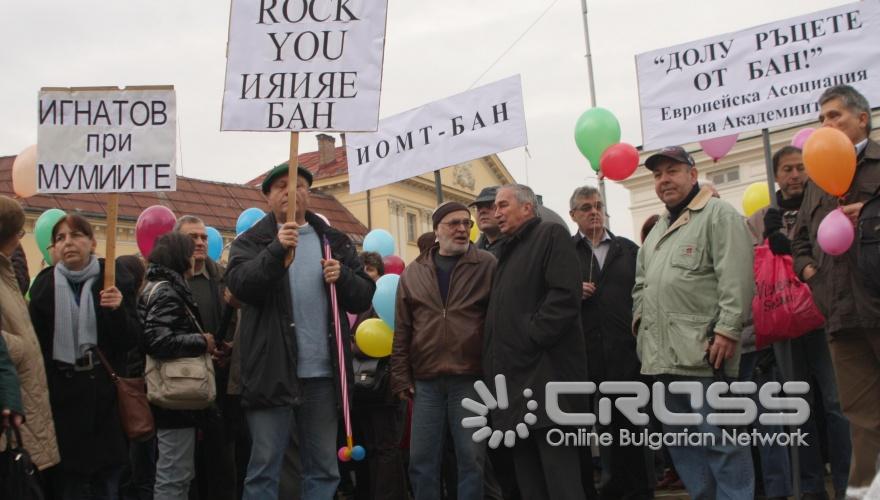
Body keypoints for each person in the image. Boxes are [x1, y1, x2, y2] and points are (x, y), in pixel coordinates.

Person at [226, 163, 375, 500]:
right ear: (267, 197)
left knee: (323, 469)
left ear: (309, 193)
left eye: (299, 185)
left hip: (323, 376)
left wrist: (345, 277)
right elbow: (240, 286)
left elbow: (363, 295)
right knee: (265, 469)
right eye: (280, 186)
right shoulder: (253, 241)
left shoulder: (333, 241)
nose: (291, 192)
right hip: (271, 373)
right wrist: (276, 250)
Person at [632, 146, 755, 500]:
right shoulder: (656, 232)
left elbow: (736, 278)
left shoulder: (718, 215)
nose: (664, 180)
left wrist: (728, 330)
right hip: (661, 359)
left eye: (672, 171)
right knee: (683, 445)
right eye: (657, 175)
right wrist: (641, 328)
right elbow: (641, 287)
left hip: (705, 355)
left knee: (721, 442)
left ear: (692, 172)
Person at [747, 145, 852, 499]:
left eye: (800, 169)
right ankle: (809, 487)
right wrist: (767, 239)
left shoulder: (827, 206)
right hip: (783, 323)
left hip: (824, 317)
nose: (794, 176)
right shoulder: (762, 217)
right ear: (776, 175)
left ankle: (847, 482)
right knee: (797, 406)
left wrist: (790, 248)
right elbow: (755, 271)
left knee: (837, 405)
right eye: (787, 169)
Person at [792, 84, 880, 493]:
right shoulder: (817, 176)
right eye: (821, 118)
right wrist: (813, 275)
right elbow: (800, 240)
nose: (825, 125)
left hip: (877, 302)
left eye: (834, 116)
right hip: (841, 314)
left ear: (862, 119)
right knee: (862, 418)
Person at [483, 184, 588, 500]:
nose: (496, 212)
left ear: (527, 208)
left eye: (503, 205)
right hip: (515, 387)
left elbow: (565, 297)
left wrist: (531, 335)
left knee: (561, 479)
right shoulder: (505, 250)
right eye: (495, 206)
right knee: (530, 481)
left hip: (548, 380)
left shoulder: (550, 235)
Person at [28, 214, 140, 499]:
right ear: (53, 247)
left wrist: (116, 310)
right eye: (60, 238)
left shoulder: (112, 279)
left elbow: (132, 340)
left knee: (107, 483)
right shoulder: (44, 286)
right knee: (69, 485)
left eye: (76, 235)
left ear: (92, 242)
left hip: (105, 399)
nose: (68, 243)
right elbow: (36, 347)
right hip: (63, 398)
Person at [391, 201, 496, 500]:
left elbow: (499, 320)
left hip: (471, 379)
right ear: (437, 229)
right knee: (422, 461)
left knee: (472, 459)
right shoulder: (413, 273)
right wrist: (400, 376)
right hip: (426, 383)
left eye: (467, 223)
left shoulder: (487, 265)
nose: (462, 229)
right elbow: (403, 329)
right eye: (454, 223)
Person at [569, 186, 651, 500]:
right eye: (586, 207)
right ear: (573, 215)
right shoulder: (565, 253)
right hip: (584, 360)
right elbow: (551, 299)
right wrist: (573, 294)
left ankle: (639, 491)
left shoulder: (627, 250)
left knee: (629, 432)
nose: (594, 211)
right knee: (584, 436)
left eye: (598, 205)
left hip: (626, 358)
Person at [140, 232, 216, 500]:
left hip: (173, 397)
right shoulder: (167, 291)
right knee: (174, 474)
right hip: (175, 398)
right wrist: (200, 342)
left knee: (176, 471)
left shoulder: (154, 285)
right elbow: (157, 340)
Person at [174, 215, 238, 500]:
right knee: (185, 465)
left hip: (220, 382)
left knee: (222, 459)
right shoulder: (170, 280)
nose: (199, 242)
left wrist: (230, 346)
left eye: (203, 237)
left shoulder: (222, 277)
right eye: (192, 237)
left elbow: (238, 319)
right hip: (182, 382)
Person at [0, 195, 60, 477]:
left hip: (21, 404)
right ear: (15, 236)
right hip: (10, 409)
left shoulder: (7, 273)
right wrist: (20, 346)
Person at [349, 251, 408, 500]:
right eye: (361, 271)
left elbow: (380, 340)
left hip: (384, 387)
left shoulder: (384, 300)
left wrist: (351, 345)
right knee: (370, 447)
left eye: (370, 270)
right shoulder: (360, 303)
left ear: (380, 275)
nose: (365, 275)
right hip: (364, 389)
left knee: (386, 447)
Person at [470, 186, 503, 256]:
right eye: (478, 208)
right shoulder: (471, 253)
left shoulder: (520, 246)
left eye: (489, 206)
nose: (482, 211)